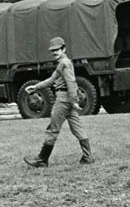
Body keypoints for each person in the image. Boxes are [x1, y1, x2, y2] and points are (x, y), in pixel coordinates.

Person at [23, 36, 94, 168]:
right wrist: (36, 87)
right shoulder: (63, 63)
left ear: (64, 49)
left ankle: (42, 160)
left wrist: (74, 101)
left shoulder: (65, 64)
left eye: (57, 50)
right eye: (53, 50)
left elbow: (71, 82)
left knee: (53, 129)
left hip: (63, 100)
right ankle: (88, 157)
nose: (54, 52)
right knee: (77, 128)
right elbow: (52, 80)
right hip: (67, 100)